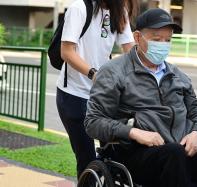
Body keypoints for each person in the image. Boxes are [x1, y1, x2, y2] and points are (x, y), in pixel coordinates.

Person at [84, 8, 197, 187]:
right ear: (137, 38)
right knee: (173, 154)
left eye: (168, 40)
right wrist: (134, 132)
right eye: (157, 39)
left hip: (179, 152)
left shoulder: (178, 76)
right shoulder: (114, 72)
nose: (163, 44)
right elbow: (93, 122)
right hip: (136, 153)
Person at [56, 0, 138, 179]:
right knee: (86, 159)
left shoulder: (119, 11)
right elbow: (67, 51)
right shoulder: (79, 8)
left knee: (115, 157)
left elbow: (130, 50)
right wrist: (95, 75)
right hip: (74, 96)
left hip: (104, 97)